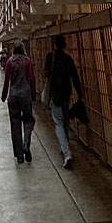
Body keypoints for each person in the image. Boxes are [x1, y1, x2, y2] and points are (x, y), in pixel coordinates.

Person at [44, 34, 83, 169]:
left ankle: (66, 152)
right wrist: (80, 94)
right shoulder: (68, 59)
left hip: (55, 95)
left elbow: (47, 74)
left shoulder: (50, 57)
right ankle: (64, 146)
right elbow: (75, 77)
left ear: (54, 45)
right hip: (66, 94)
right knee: (65, 122)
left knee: (59, 123)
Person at [1, 40, 36, 163]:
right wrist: (33, 94)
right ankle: (26, 143)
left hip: (14, 95)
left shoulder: (9, 62)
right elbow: (31, 79)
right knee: (28, 120)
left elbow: (6, 80)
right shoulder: (28, 61)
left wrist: (4, 95)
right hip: (25, 94)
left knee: (15, 124)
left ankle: (19, 155)